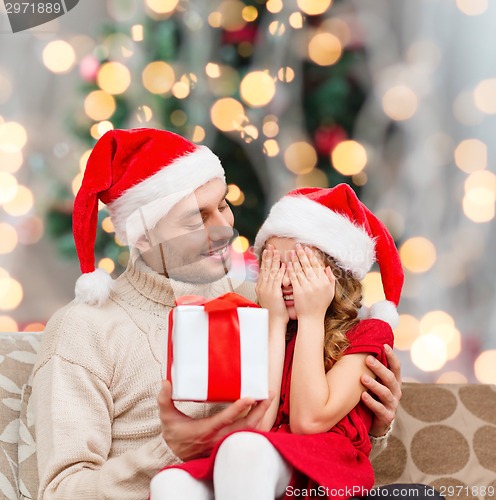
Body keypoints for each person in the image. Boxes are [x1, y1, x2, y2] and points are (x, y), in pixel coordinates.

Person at [33, 129, 402, 500]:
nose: (224, 228)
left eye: (223, 205)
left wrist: (373, 421)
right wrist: (171, 450)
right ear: (141, 235)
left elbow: (309, 442)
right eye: (197, 220)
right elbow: (60, 492)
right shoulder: (84, 329)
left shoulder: (266, 300)